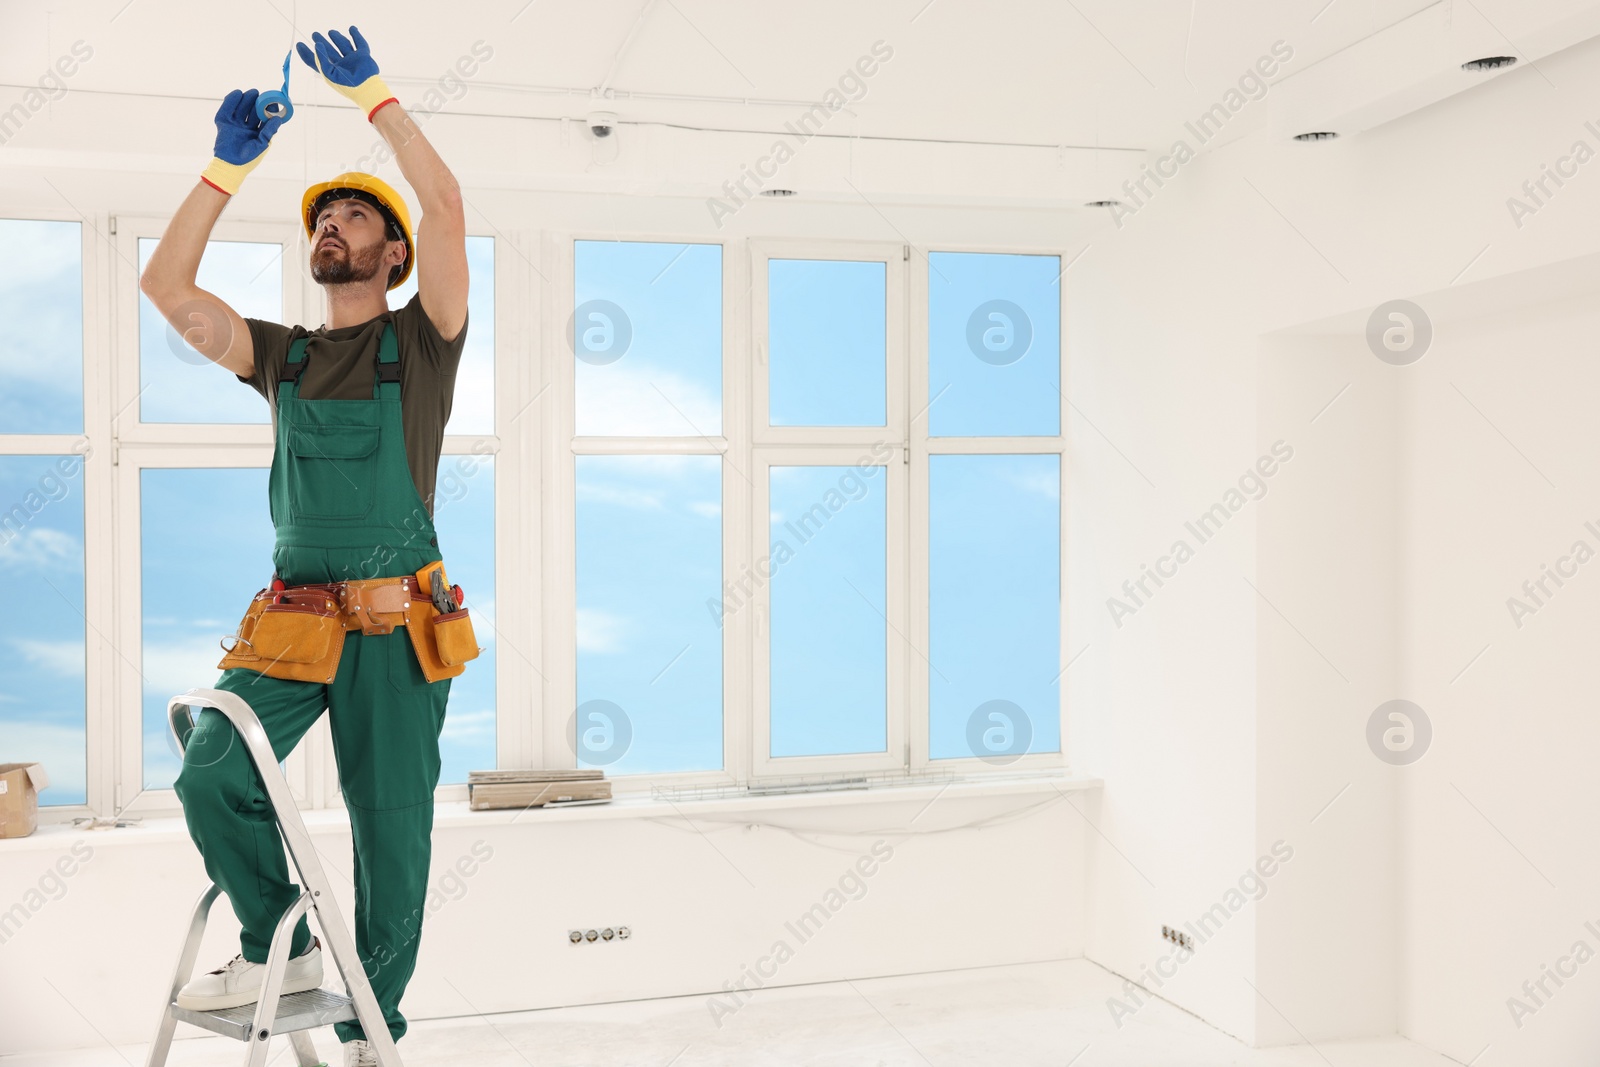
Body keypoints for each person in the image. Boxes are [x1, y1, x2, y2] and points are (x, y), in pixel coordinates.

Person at [140, 26, 471, 1067]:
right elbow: (168, 289)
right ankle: (270, 940)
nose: (332, 226)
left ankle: (375, 1029)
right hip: (293, 616)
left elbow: (452, 205)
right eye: (322, 219)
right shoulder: (279, 355)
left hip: (398, 623)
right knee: (210, 773)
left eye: (355, 217)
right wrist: (225, 167)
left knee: (391, 837)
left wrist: (373, 97)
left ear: (393, 253)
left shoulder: (420, 342)